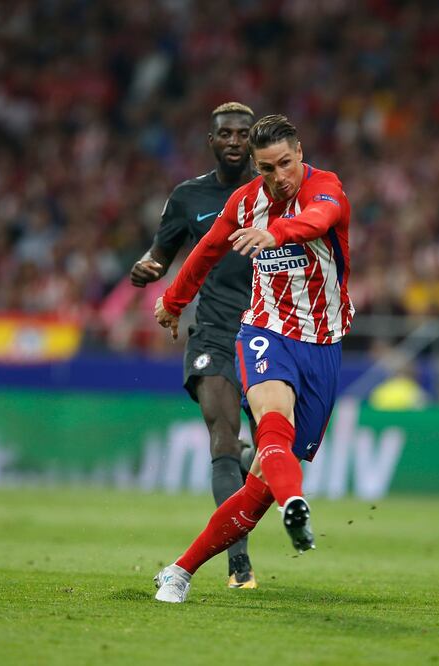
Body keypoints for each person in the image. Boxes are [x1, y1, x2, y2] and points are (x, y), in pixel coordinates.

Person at [152, 114, 353, 603]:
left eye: (285, 163)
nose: (278, 177)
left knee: (258, 487)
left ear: (300, 153)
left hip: (323, 345)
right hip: (265, 332)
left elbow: (318, 221)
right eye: (266, 168)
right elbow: (205, 252)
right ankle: (295, 502)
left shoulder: (327, 189)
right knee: (271, 422)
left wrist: (276, 234)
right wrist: (173, 301)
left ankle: (179, 570)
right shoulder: (244, 202)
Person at [129, 102, 259, 589]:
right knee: (222, 438)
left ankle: (248, 463)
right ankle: (239, 565)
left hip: (268, 334)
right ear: (212, 141)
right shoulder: (188, 197)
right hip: (214, 333)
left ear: (253, 140)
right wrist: (147, 268)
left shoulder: (274, 195)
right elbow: (159, 254)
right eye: (225, 133)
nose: (234, 141)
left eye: (242, 134)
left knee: (268, 453)